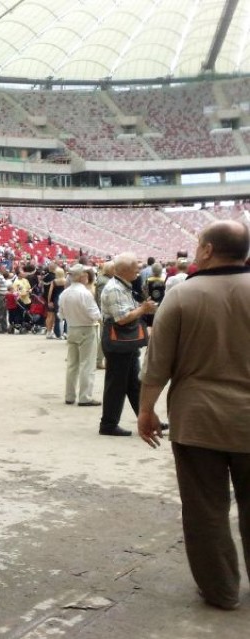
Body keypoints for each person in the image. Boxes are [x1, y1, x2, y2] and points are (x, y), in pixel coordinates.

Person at [138, 220, 250, 611]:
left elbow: (157, 366)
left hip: (198, 420)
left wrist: (145, 409)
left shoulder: (183, 296)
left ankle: (221, 589)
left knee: (206, 510)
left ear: (205, 250)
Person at [98, 253, 157, 436]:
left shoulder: (123, 285)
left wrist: (140, 307)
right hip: (118, 341)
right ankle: (108, 424)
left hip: (125, 343)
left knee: (134, 384)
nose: (138, 272)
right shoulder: (115, 288)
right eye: (135, 269)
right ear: (124, 270)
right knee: (116, 385)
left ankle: (146, 419)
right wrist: (143, 309)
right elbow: (122, 319)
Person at [58, 265, 101, 407]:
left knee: (72, 364)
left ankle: (69, 395)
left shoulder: (65, 293)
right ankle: (85, 396)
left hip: (72, 328)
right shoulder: (85, 293)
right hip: (86, 328)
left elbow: (61, 314)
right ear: (82, 276)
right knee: (87, 364)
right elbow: (94, 314)